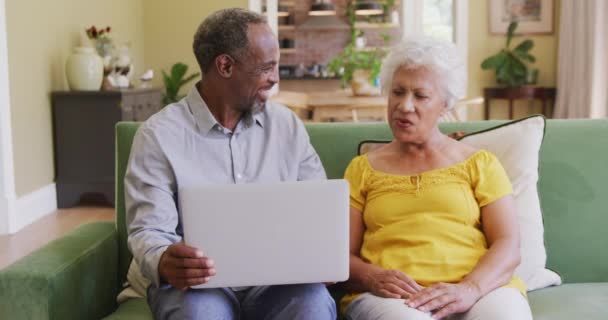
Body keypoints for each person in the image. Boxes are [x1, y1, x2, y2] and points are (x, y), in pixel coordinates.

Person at [124, 8, 336, 320]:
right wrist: (164, 260)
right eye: (267, 68)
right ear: (225, 66)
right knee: (200, 314)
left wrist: (322, 252)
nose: (275, 79)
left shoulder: (286, 127)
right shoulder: (158, 136)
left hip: (276, 282)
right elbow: (149, 230)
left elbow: (317, 210)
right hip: (197, 286)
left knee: (313, 304)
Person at [340, 37, 533, 320]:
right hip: (393, 299)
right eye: (397, 92)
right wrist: (372, 276)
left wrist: (469, 288)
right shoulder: (361, 169)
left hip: (479, 290)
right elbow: (340, 256)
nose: (405, 106)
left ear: (445, 105)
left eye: (420, 96)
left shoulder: (479, 164)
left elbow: (508, 244)